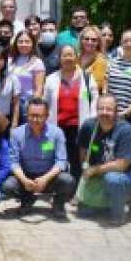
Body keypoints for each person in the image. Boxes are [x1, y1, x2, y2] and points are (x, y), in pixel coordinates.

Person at [78, 95, 131, 226]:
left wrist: (94, 170)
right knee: (84, 213)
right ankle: (117, 199)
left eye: (108, 109)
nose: (104, 112)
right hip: (100, 173)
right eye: (100, 109)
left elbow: (122, 164)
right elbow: (83, 152)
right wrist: (85, 170)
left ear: (116, 111)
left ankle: (118, 214)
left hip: (130, 174)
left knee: (113, 179)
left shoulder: (126, 130)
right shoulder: (88, 126)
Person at [4, 98, 75, 219]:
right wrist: (25, 180)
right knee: (8, 185)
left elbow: (61, 161)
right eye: (32, 115)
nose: (35, 119)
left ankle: (58, 204)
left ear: (47, 116)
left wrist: (45, 179)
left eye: (39, 116)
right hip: (25, 177)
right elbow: (13, 162)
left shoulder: (57, 133)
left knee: (68, 180)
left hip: (49, 177)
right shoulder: (17, 134)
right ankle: (27, 199)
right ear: (27, 115)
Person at [43, 45, 99, 182]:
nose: (68, 58)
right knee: (57, 156)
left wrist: (92, 121)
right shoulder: (51, 79)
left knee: (78, 158)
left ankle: (76, 190)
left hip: (80, 127)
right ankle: (60, 188)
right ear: (60, 58)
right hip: (57, 126)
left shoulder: (87, 77)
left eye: (71, 55)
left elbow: (95, 99)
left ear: (76, 57)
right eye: (65, 55)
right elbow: (45, 103)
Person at [10, 31, 46, 124]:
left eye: (27, 41)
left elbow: (39, 88)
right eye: (20, 41)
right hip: (10, 102)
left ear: (32, 43)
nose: (23, 44)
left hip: (25, 103)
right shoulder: (10, 60)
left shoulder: (37, 62)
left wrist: (32, 107)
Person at [79, 25, 108, 93]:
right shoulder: (76, 57)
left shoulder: (101, 61)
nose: (90, 42)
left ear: (98, 42)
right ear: (81, 40)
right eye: (87, 39)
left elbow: (97, 85)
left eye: (94, 40)